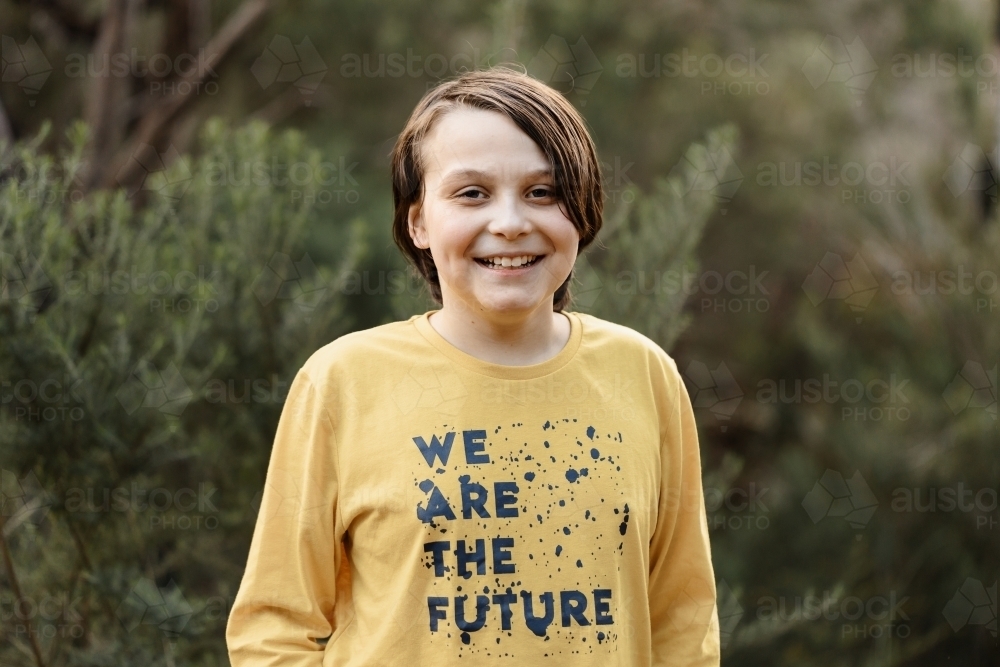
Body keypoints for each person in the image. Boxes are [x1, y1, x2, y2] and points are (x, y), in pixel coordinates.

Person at [226, 66, 721, 666]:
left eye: (542, 191)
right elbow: (272, 629)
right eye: (471, 193)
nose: (510, 222)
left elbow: (683, 623)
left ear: (581, 212)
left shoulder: (645, 375)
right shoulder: (342, 382)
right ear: (418, 221)